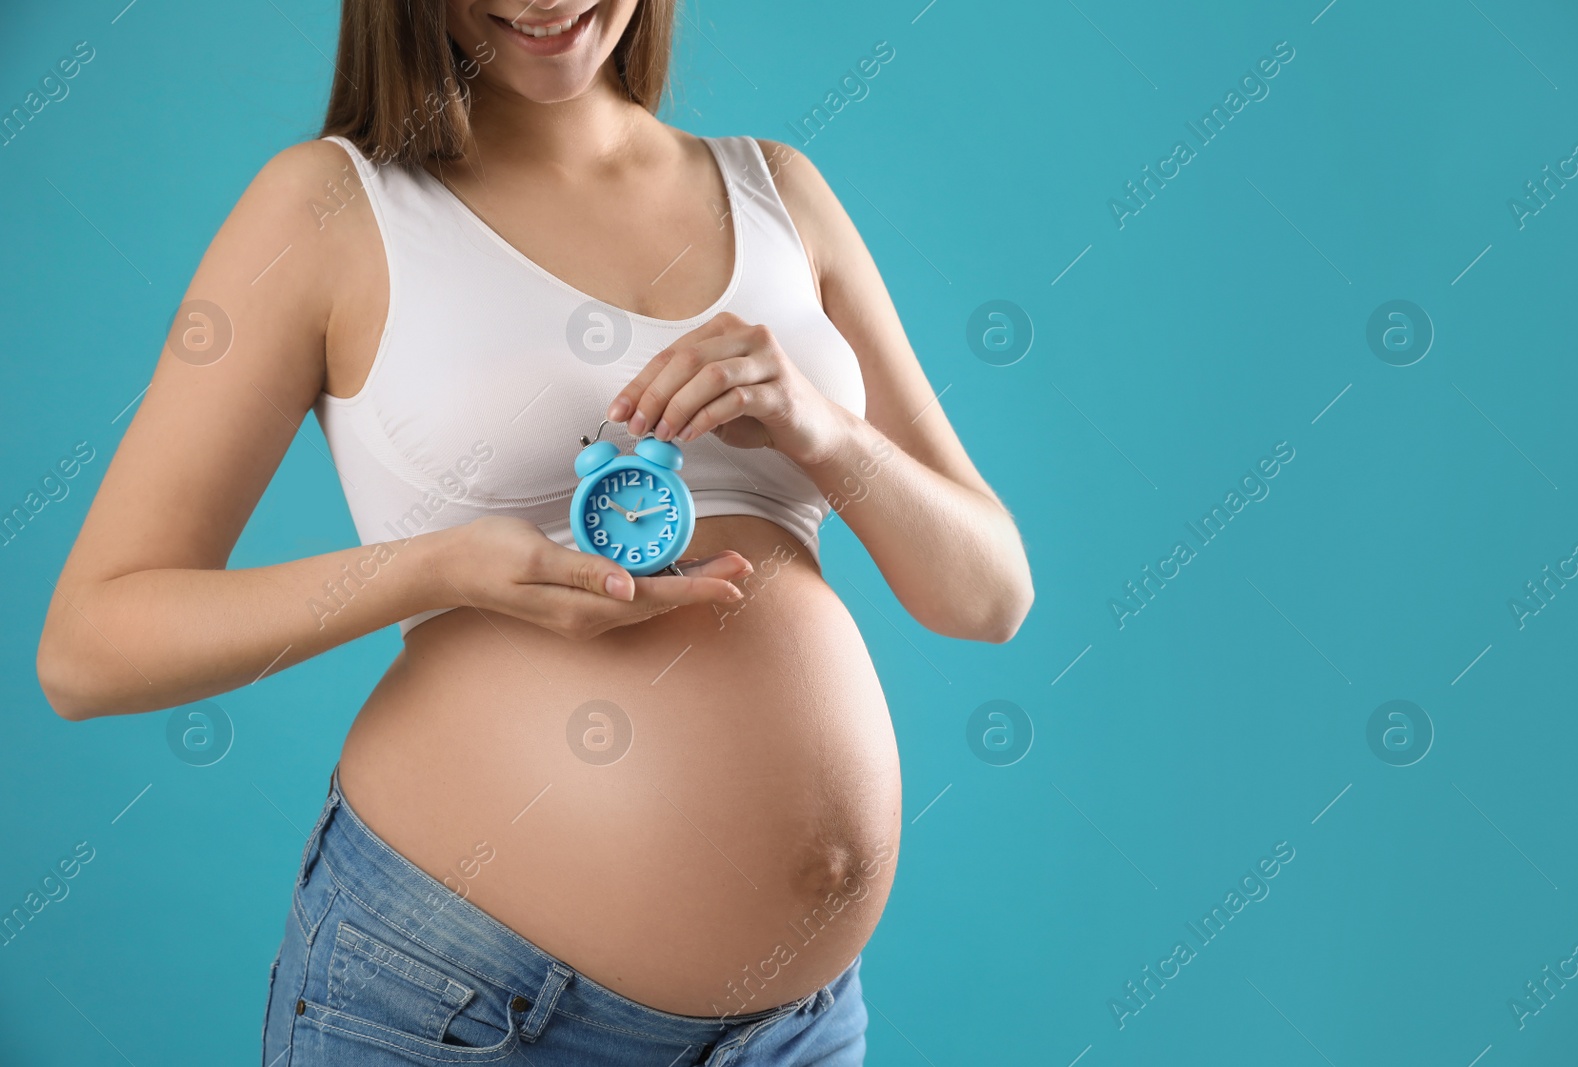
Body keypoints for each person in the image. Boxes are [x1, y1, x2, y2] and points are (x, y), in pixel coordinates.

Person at [36, 1, 1033, 1063]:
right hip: (455, 1004)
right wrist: (440, 567)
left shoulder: (777, 191)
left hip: (794, 1029)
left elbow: (986, 594)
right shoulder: (328, 207)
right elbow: (89, 650)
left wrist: (821, 426)